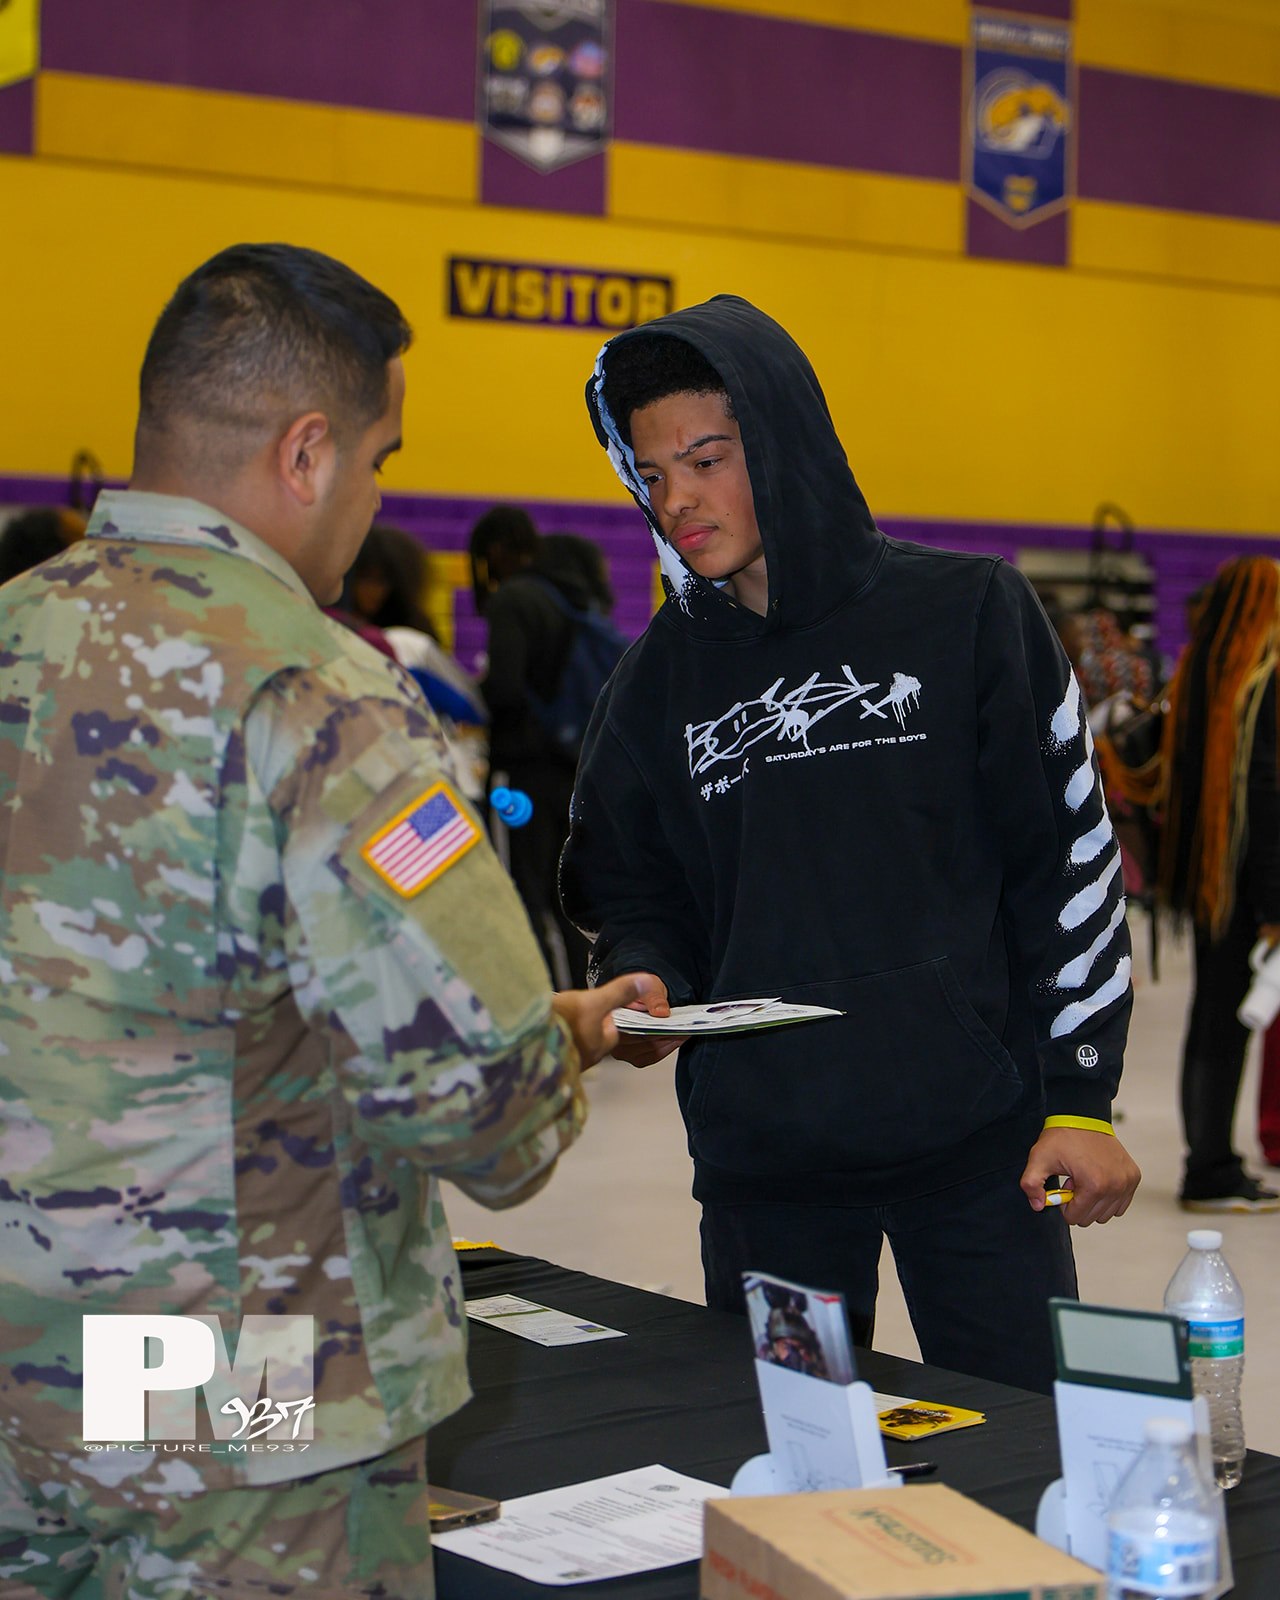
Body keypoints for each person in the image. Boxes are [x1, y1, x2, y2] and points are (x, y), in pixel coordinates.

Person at [0, 242, 645, 1599]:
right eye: (379, 461)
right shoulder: (317, 692)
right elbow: (484, 1105)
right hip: (222, 1382)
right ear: (306, 453)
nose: (373, 500)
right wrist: (560, 1043)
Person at [560, 295, 1142, 1394]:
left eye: (706, 458)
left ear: (782, 441)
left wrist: (1079, 1096)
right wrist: (641, 977)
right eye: (652, 472)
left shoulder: (969, 613)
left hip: (980, 1156)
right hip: (767, 1176)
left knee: (1029, 1451)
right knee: (796, 1461)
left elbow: (1065, 861)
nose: (676, 498)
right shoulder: (653, 684)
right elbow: (636, 888)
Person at [1157, 555, 1280, 1212]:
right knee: (1226, 1025)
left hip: (1208, 877)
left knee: (1211, 1018)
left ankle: (1206, 1161)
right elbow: (1265, 798)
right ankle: (1209, 1170)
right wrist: (1274, 903)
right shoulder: (1260, 680)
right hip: (1244, 884)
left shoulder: (1201, 674)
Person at [469, 508, 611, 988]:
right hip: (570, 772)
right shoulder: (569, 597)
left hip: (520, 776)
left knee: (520, 891)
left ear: (495, 551)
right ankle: (582, 1000)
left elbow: (506, 690)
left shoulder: (514, 599)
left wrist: (468, 694)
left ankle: (546, 1007)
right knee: (561, 897)